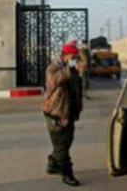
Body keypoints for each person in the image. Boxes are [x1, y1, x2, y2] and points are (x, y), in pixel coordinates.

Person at [42, 41, 83, 187]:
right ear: (65, 55)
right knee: (61, 145)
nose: (75, 58)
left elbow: (77, 88)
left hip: (68, 112)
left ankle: (52, 164)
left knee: (67, 141)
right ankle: (67, 174)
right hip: (55, 112)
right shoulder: (53, 68)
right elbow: (53, 81)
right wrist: (68, 70)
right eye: (73, 56)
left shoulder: (72, 69)